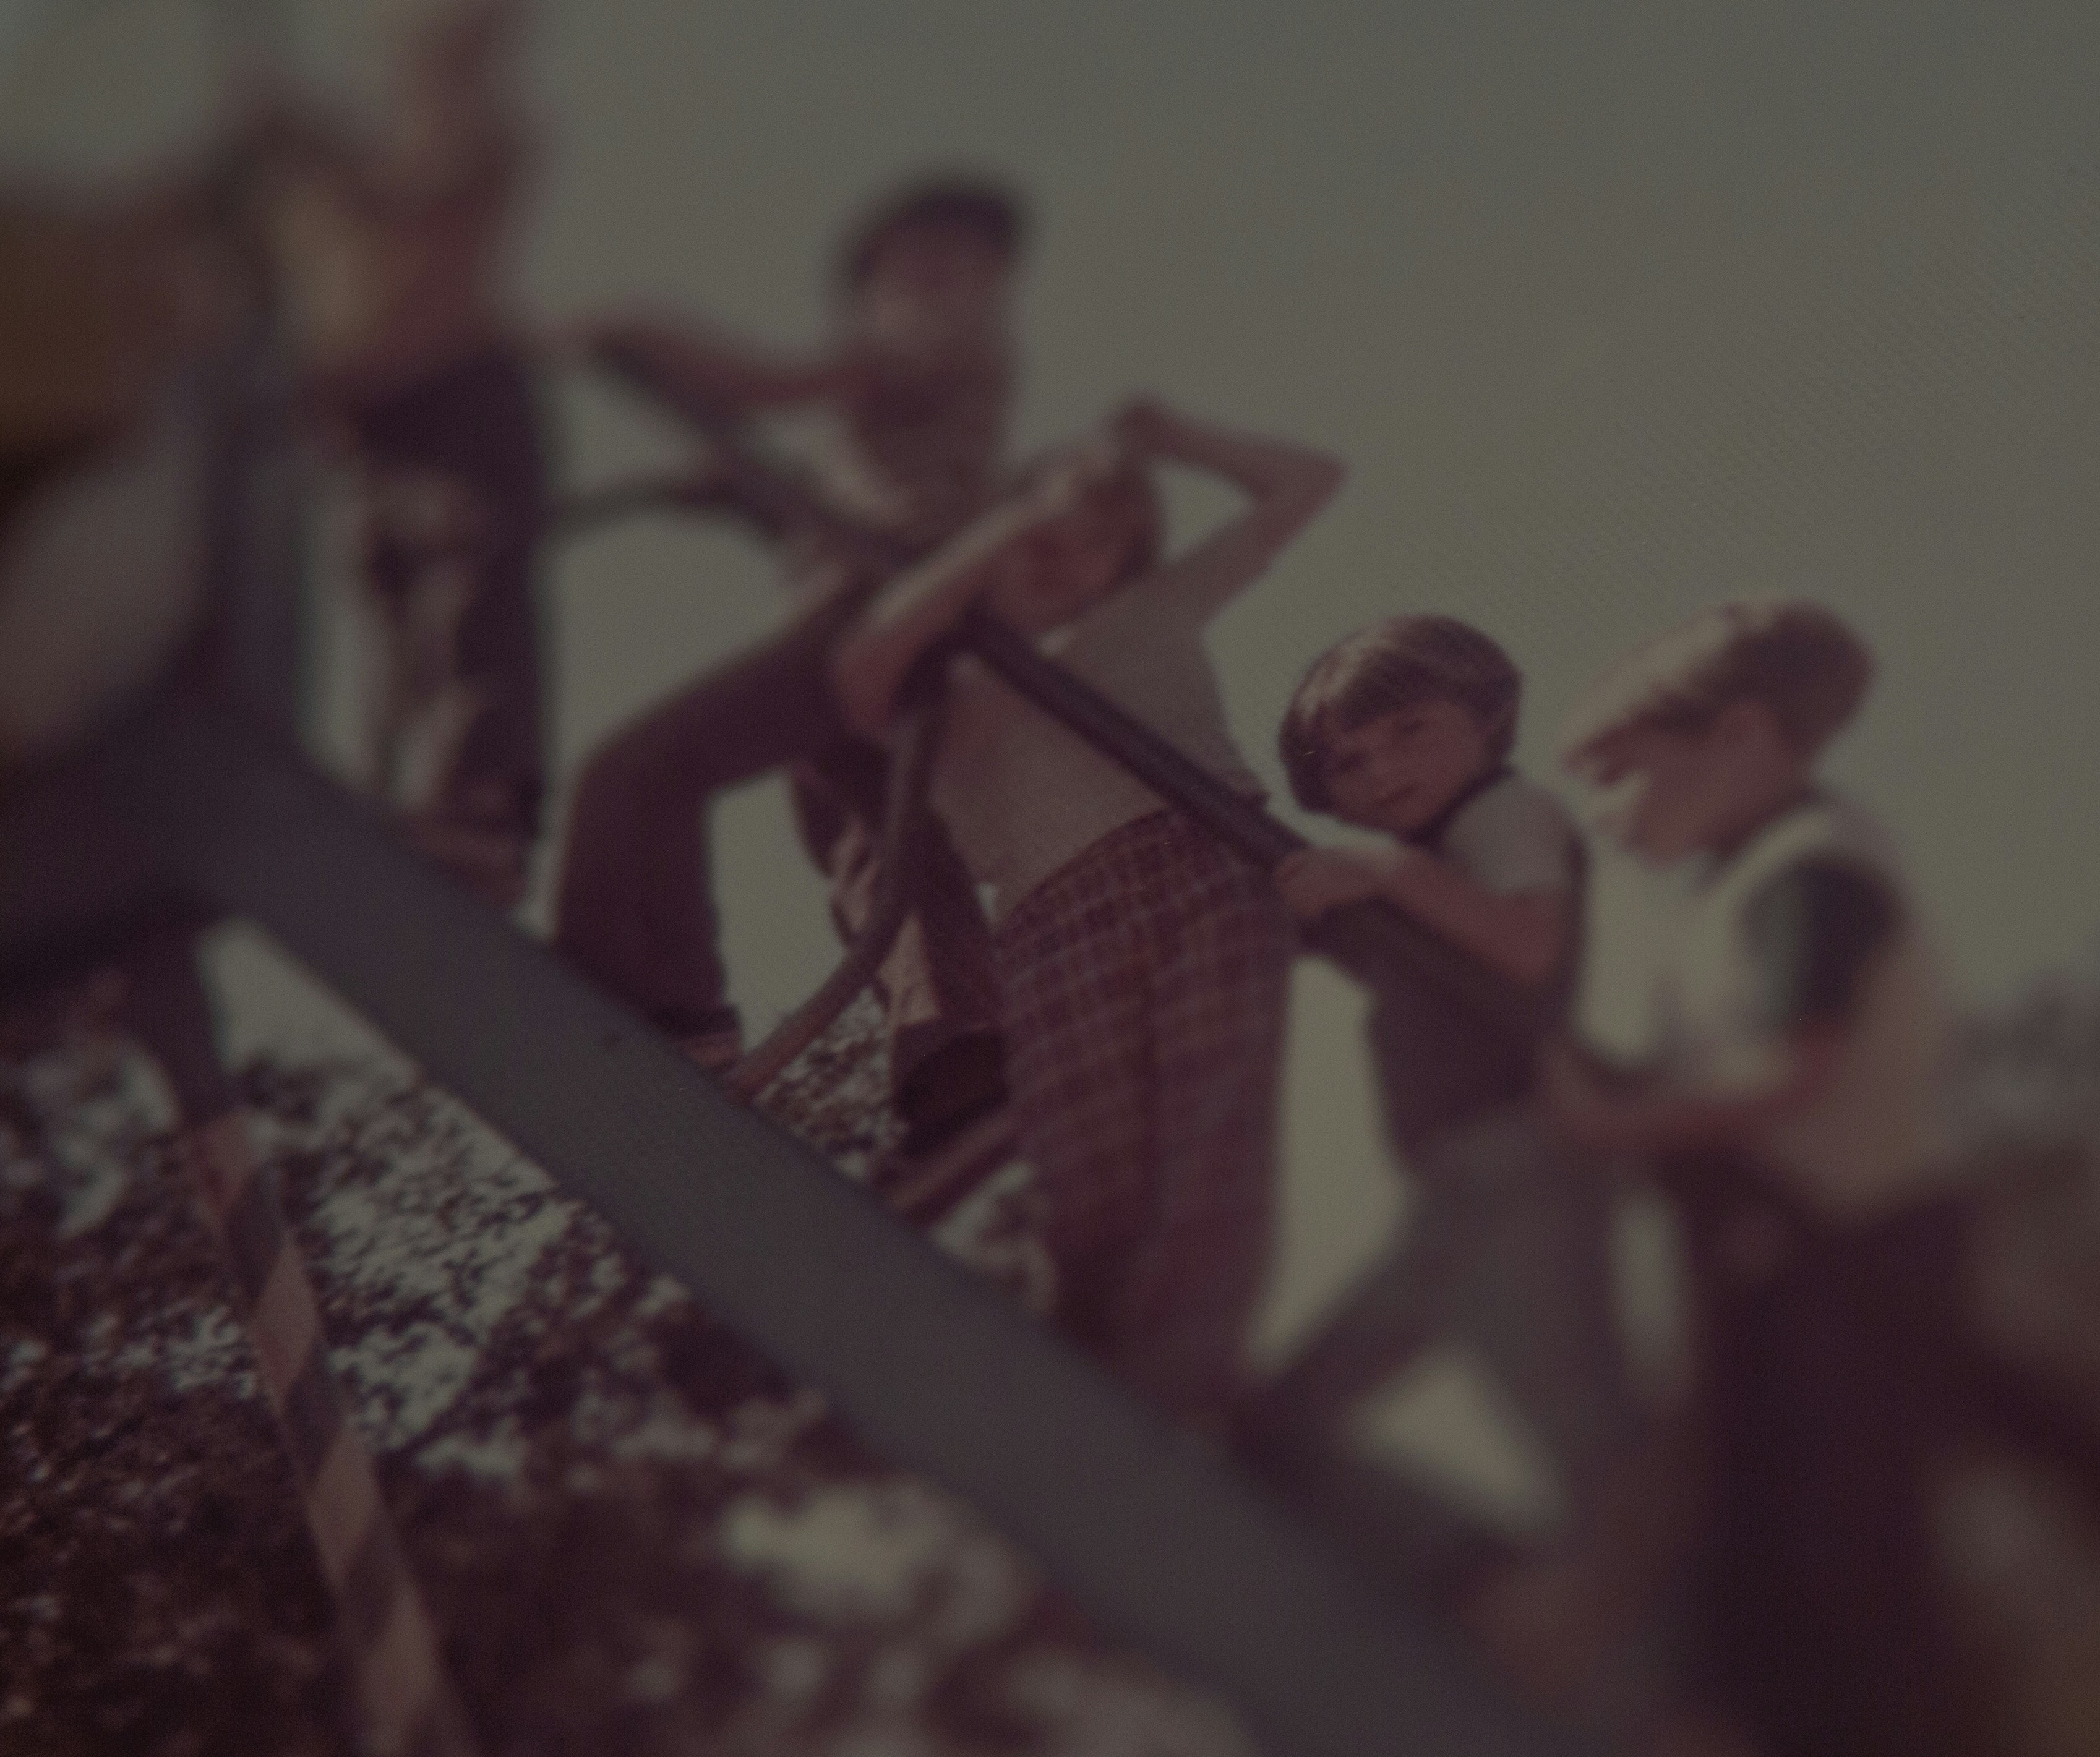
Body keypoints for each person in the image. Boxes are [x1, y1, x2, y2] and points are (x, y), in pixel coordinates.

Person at [1520, 598, 1980, 1757]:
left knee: (1851, 1567)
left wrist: (1623, 1123)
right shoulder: (1727, 890)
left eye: (1619, 777)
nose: (1604, 817)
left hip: (1866, 1248)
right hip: (1788, 1269)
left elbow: (1793, 1071)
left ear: (1738, 737)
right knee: (1758, 1578)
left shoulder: (1811, 873)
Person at [831, 396, 1340, 1429]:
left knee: (1212, 1153)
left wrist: (1184, 436)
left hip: (1205, 863)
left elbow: (1310, 481)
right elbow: (859, 673)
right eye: (1051, 533)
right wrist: (1015, 525)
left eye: (1106, 537)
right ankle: (1104, 1413)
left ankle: (1180, 1405)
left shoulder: (1151, 607)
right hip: (1051, 919)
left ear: (1134, 554)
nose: (1073, 554)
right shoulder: (957, 674)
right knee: (1093, 1198)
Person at [547, 176, 1025, 1170]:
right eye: (910, 254)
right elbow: (850, 492)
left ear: (987, 283)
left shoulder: (937, 338)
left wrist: (640, 328)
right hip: (886, 600)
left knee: (637, 773)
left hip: (880, 609)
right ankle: (958, 1058)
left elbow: (773, 384)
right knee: (876, 841)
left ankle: (660, 1004)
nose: (933, 273)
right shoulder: (920, 386)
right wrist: (743, 496)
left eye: (959, 258)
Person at [1235, 615, 1643, 1604]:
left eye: (1409, 730)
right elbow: (1396, 960)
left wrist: (1381, 874)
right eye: (1347, 762)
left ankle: (1684, 1686)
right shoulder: (1423, 863)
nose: (1377, 771)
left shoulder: (1500, 818)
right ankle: (1478, 1572)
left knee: (1595, 1454)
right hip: (1452, 1193)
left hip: (1518, 1169)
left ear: (1483, 716)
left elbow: (1526, 945)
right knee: (1277, 1428)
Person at [247, 0, 551, 908]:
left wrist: (310, 145)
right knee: (385, 596)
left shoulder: (483, 132)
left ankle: (484, 806)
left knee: (468, 596)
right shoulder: (334, 175)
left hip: (458, 399)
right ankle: (402, 789)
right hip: (371, 426)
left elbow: (424, 196)